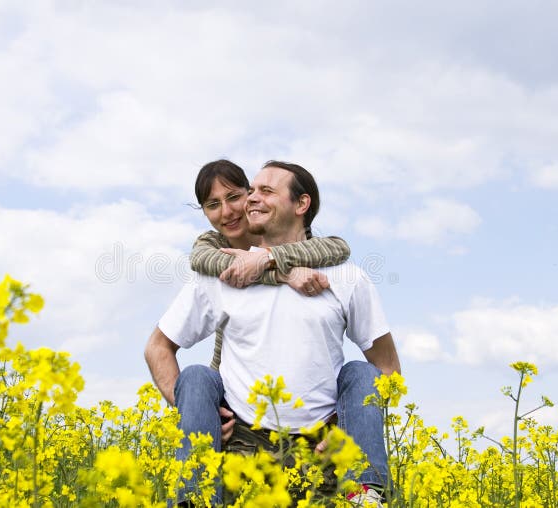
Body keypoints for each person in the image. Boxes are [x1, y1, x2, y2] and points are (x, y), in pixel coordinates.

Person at [144, 161, 400, 506]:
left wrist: (348, 431)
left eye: (264, 191)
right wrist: (194, 414)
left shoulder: (346, 276)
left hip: (320, 452)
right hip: (244, 448)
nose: (250, 200)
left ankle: (365, 495)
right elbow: (157, 347)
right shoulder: (224, 270)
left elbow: (389, 371)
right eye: (252, 191)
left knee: (362, 373)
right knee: (195, 378)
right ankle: (196, 499)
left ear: (301, 204)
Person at [187, 159, 352, 372]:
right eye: (213, 205)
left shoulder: (285, 238)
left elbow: (338, 248)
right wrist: (282, 275)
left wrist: (266, 257)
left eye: (234, 197)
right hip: (231, 378)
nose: (227, 212)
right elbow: (201, 258)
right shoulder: (213, 243)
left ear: (250, 195)